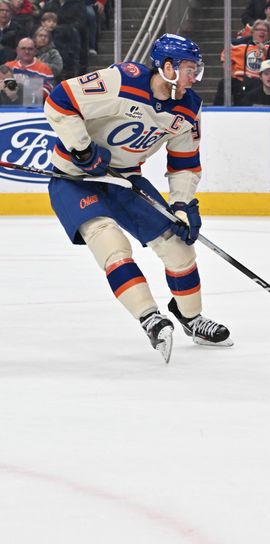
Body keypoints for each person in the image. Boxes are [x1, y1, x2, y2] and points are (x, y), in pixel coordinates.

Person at [43, 34, 232, 363]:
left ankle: (191, 317)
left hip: (124, 179)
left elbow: (185, 162)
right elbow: (60, 101)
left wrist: (182, 205)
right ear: (168, 67)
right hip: (74, 178)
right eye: (190, 69)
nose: (195, 77)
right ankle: (150, 318)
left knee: (178, 246)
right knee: (110, 242)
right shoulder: (122, 81)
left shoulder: (188, 109)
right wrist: (84, 149)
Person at [5, 37, 54, 105]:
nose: (27, 52)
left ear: (35, 51)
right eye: (23, 48)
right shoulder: (8, 66)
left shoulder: (44, 69)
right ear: (17, 50)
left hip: (34, 109)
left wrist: (21, 94)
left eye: (30, 49)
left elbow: (48, 91)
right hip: (8, 108)